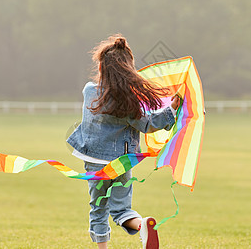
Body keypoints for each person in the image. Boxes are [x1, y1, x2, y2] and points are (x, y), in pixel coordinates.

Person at [67, 34, 180, 249]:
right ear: (128, 69)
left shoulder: (89, 91)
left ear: (102, 68)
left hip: (95, 163)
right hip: (121, 162)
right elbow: (147, 125)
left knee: (98, 208)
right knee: (121, 209)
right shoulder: (128, 100)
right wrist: (171, 110)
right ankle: (142, 225)